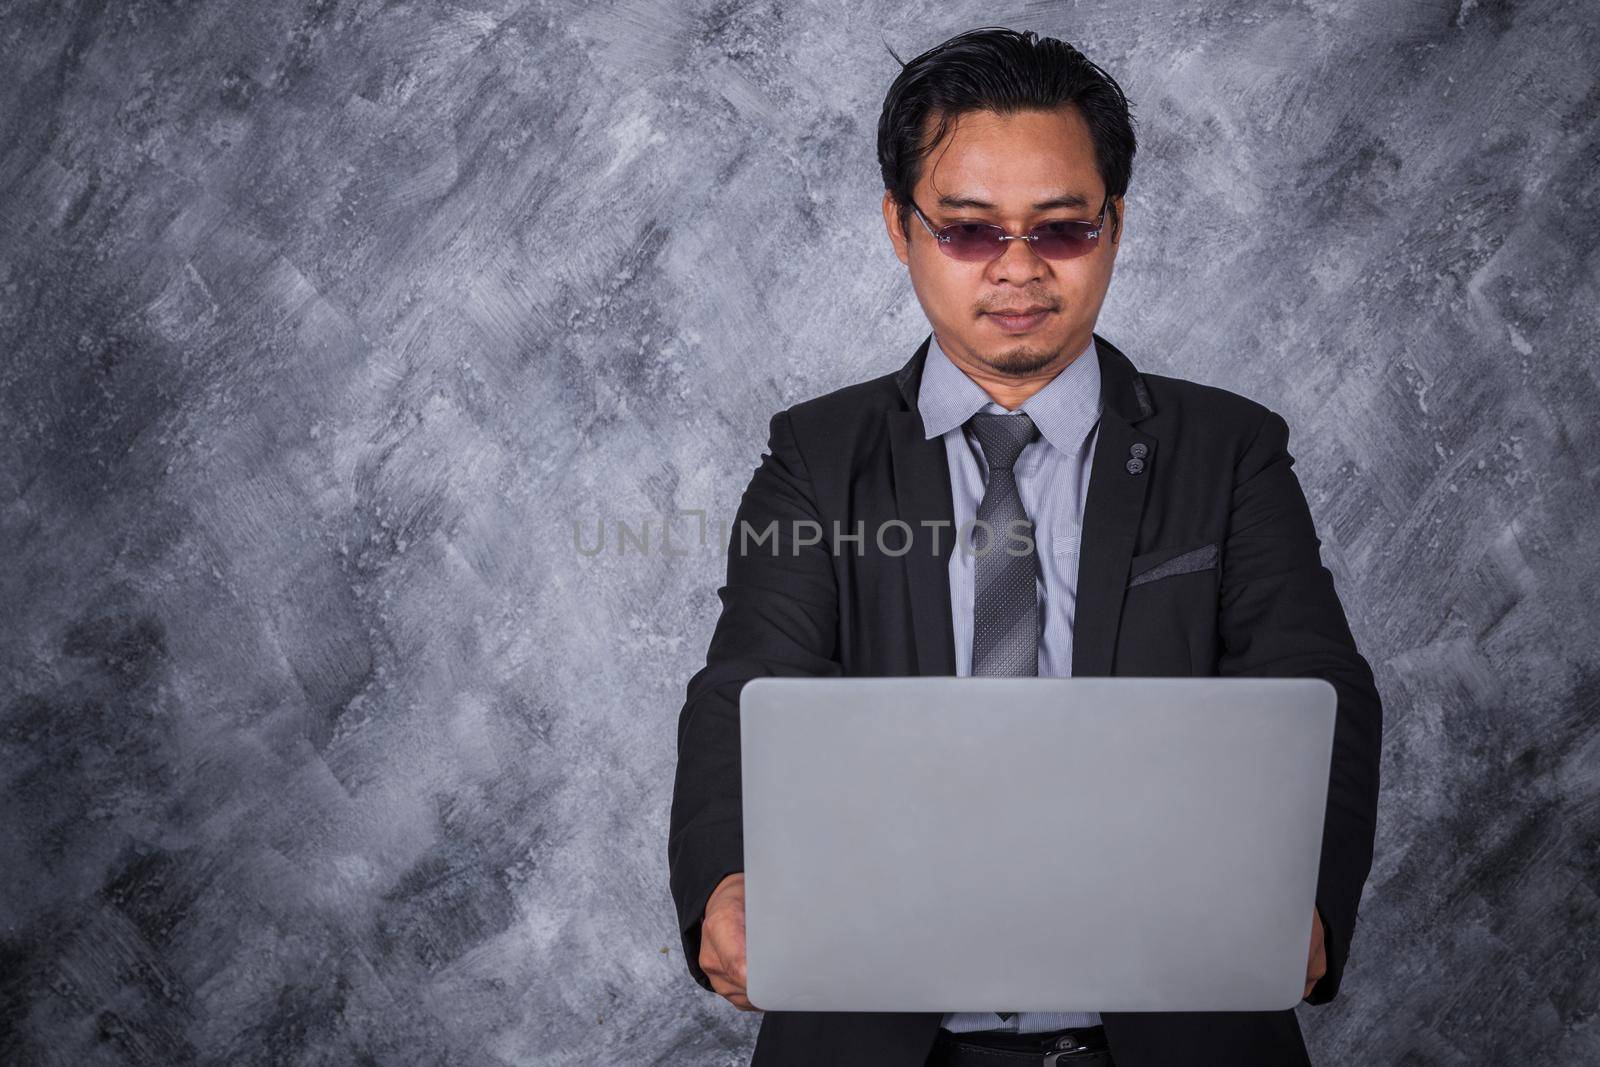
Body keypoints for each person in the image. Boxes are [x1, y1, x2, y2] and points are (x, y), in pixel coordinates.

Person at [667, 26, 1382, 1067]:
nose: (1017, 269)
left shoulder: (1229, 451)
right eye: (967, 231)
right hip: (874, 1037)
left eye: (1060, 229)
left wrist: (1297, 900)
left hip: (1177, 1032)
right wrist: (726, 882)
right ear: (898, 228)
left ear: (1114, 226)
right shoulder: (815, 458)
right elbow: (747, 683)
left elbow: (1315, 682)